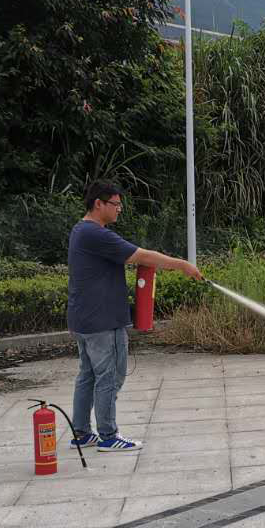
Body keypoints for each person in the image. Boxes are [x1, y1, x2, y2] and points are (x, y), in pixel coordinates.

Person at [68, 181, 202, 453]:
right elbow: (142, 255)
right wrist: (182, 265)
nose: (120, 209)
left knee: (88, 376)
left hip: (83, 319)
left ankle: (82, 433)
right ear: (98, 204)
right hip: (103, 321)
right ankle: (108, 435)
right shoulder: (96, 234)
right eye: (115, 204)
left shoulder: (80, 230)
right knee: (109, 377)